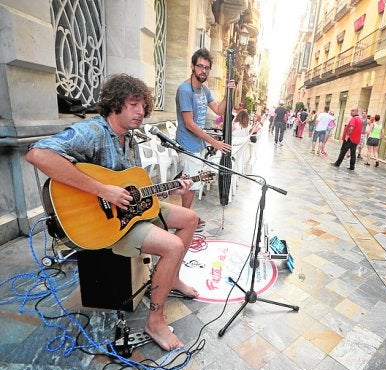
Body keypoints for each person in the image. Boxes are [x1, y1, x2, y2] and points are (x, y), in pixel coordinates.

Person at [26, 74, 198, 351]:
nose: (141, 112)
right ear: (115, 104)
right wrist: (102, 190)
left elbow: (135, 191)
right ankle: (155, 321)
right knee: (173, 246)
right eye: (133, 104)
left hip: (129, 214)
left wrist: (171, 189)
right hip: (104, 225)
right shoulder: (92, 131)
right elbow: (37, 154)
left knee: (190, 218)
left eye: (143, 106)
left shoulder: (128, 140)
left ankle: (173, 278)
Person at [175, 48, 233, 210]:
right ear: (193, 66)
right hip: (187, 143)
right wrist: (213, 142)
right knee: (190, 183)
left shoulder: (204, 89)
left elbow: (219, 110)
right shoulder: (185, 90)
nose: (203, 70)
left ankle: (186, 216)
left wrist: (228, 92)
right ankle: (185, 217)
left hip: (198, 143)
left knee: (194, 181)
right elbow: (189, 123)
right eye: (200, 66)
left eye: (207, 68)